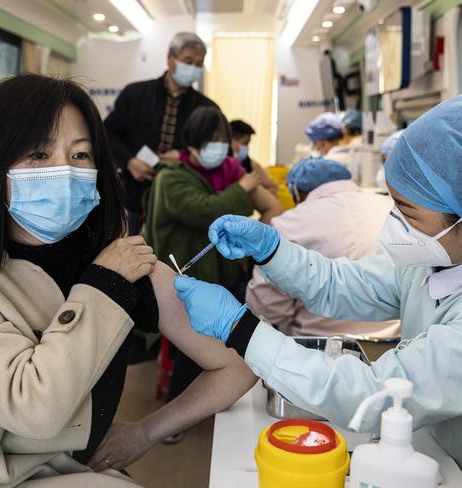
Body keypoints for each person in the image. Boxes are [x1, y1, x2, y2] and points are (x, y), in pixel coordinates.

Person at [0, 74, 257, 488]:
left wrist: (146, 431)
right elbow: (33, 408)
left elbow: (238, 364)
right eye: (37, 153)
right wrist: (104, 287)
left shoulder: (123, 266)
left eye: (82, 155)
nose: (64, 172)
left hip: (76, 474)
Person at [174, 95, 462, 465]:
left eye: (407, 212)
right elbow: (343, 283)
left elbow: (372, 394)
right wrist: (272, 249)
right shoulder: (429, 263)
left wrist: (240, 329)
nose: (393, 223)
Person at [141, 106, 281, 415]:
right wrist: (242, 189)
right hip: (183, 277)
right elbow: (204, 210)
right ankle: (177, 411)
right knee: (192, 348)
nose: (219, 147)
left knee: (223, 345)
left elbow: (271, 206)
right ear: (191, 143)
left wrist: (255, 247)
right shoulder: (171, 179)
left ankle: (214, 399)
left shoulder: (230, 169)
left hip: (223, 272)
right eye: (210, 140)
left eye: (223, 139)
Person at [246, 157, 399, 337]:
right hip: (394, 342)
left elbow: (268, 307)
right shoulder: (392, 209)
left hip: (316, 344)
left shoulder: (290, 223)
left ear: (296, 192)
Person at [104, 32, 217, 235]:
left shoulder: (207, 108)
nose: (193, 68)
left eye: (199, 64)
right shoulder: (135, 94)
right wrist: (129, 162)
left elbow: (214, 153)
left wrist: (185, 158)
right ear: (170, 59)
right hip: (133, 197)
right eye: (188, 61)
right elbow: (108, 133)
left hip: (181, 202)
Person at [305, 111, 361, 183]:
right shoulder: (362, 154)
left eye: (317, 147)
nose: (318, 151)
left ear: (322, 144)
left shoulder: (325, 165)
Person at [230, 119, 278, 194]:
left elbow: (273, 187)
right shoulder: (223, 167)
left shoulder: (250, 164)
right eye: (245, 143)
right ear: (232, 141)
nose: (247, 147)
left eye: (248, 144)